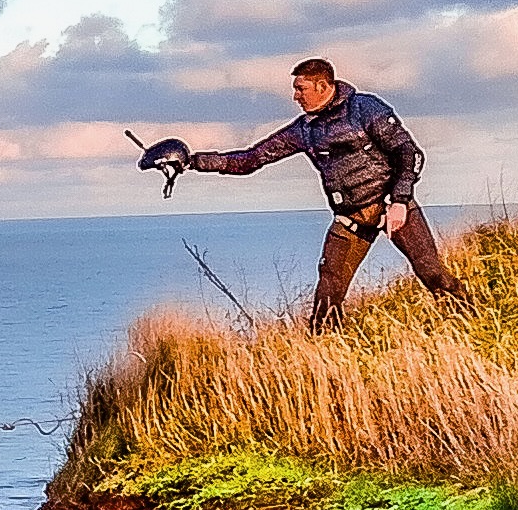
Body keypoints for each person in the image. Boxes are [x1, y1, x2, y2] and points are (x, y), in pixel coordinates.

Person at [142, 59, 474, 327]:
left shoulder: (366, 109)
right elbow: (251, 159)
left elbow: (410, 154)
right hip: (349, 220)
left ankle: (470, 320)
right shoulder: (304, 129)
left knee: (431, 271)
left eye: (301, 89)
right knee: (328, 293)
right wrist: (191, 162)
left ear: (323, 86)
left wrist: (399, 201)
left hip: (392, 206)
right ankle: (325, 352)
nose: (296, 96)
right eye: (295, 90)